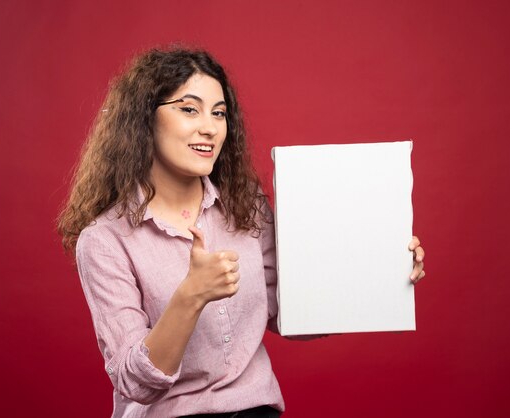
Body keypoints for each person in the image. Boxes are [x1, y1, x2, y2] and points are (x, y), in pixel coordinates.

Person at [57, 47, 426, 418]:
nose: (210, 127)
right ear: (142, 119)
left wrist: (379, 267)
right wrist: (191, 296)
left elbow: (289, 311)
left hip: (255, 410)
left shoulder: (244, 205)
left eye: (219, 113)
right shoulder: (104, 240)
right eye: (189, 109)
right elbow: (135, 382)